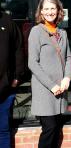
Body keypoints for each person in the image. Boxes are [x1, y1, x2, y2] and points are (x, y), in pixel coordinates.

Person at [28, 0, 71, 148]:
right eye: (46, 8)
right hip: (45, 90)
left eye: (52, 8)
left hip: (61, 90)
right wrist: (52, 85)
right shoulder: (36, 32)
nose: (49, 12)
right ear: (40, 12)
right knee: (50, 128)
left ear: (58, 10)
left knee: (56, 129)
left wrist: (67, 78)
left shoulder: (63, 33)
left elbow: (68, 58)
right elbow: (32, 63)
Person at [0, 10, 24, 147]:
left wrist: (16, 77)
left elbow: (18, 49)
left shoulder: (7, 21)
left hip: (4, 89)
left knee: (3, 131)